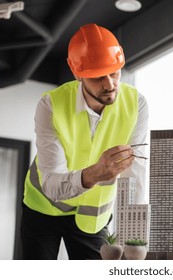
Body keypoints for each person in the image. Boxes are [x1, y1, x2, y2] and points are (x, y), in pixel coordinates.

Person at [20, 23, 148, 260]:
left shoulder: (136, 104)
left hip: (93, 217)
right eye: (98, 76)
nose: (110, 85)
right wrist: (95, 174)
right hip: (43, 207)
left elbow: (135, 171)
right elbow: (50, 183)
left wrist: (134, 233)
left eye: (115, 72)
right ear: (77, 72)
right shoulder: (50, 105)